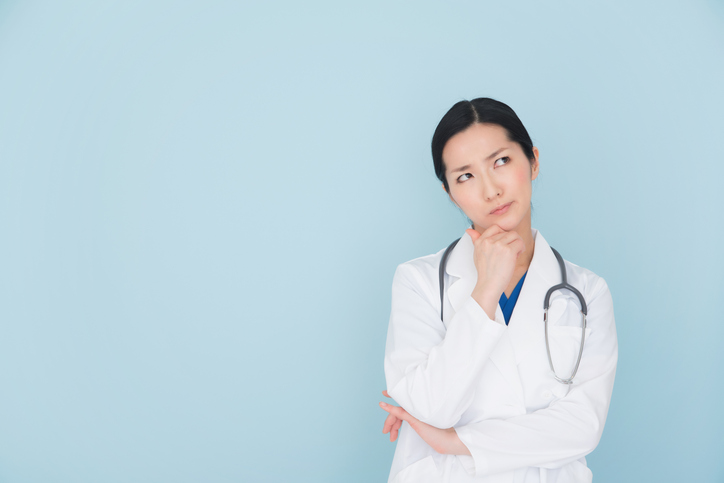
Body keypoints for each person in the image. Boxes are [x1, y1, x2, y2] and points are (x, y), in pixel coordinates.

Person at [378, 98, 618, 483]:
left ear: (534, 161)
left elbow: (582, 425)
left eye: (501, 161)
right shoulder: (418, 282)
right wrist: (486, 289)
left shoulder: (587, 292)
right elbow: (433, 407)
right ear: (449, 192)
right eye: (465, 176)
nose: (490, 190)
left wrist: (455, 441)